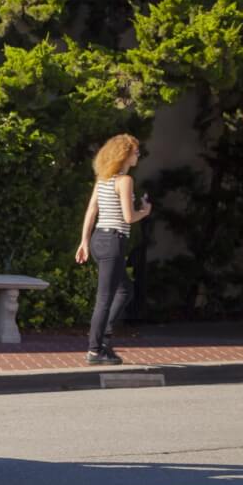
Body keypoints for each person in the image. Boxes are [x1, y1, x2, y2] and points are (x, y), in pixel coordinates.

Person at [76, 134, 151, 366]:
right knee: (105, 298)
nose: (138, 155)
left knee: (124, 290)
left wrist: (84, 242)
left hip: (99, 239)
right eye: (135, 152)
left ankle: (104, 339)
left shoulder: (103, 179)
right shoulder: (125, 181)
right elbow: (128, 217)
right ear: (124, 155)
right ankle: (95, 350)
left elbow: (91, 211)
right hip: (113, 241)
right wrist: (145, 211)